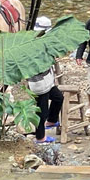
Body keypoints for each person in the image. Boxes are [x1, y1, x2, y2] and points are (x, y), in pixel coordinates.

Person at [28, 16, 63, 144]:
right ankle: (40, 137)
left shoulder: (44, 43)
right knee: (41, 110)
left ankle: (52, 120)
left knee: (58, 97)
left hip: (48, 80)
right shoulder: (33, 46)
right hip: (37, 82)